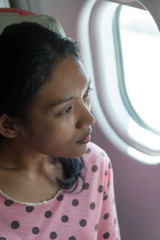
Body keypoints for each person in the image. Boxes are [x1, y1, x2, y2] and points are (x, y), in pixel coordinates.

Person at [0, 22, 121, 240]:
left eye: (86, 93)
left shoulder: (95, 163)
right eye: (66, 110)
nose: (89, 118)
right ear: (9, 125)